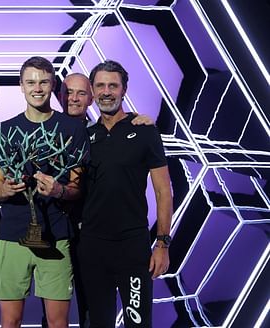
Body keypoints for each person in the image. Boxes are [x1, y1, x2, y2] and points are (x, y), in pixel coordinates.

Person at [0, 56, 89, 328]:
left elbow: (76, 189)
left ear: (52, 85)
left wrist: (59, 190)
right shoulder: (4, 130)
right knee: (10, 321)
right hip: (11, 235)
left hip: (56, 235)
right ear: (21, 86)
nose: (37, 87)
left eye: (44, 81)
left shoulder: (73, 129)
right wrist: (7, 190)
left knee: (58, 322)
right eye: (31, 82)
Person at [78, 60, 173, 327]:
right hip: (93, 247)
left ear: (124, 90)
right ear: (93, 92)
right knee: (99, 322)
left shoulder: (145, 131)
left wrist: (162, 245)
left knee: (138, 323)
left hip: (132, 246)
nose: (106, 91)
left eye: (113, 85)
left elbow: (163, 191)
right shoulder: (84, 135)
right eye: (100, 86)